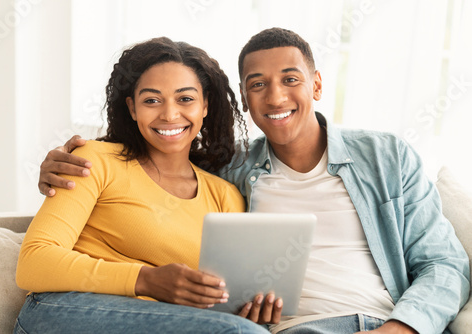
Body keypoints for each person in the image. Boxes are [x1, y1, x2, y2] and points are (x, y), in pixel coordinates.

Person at [38, 28, 470, 334]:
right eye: (258, 84)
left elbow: (445, 264)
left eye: (291, 80)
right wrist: (59, 163)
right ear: (244, 99)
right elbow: (157, 158)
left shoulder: (385, 157)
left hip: (391, 323)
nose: (276, 97)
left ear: (316, 84)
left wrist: (401, 329)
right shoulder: (231, 172)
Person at [15, 37, 275, 334]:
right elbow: (33, 262)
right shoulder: (92, 160)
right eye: (151, 100)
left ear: (205, 105)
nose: (169, 114)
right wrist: (146, 279)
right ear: (132, 108)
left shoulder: (225, 195)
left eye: (185, 99)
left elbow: (218, 297)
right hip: (62, 311)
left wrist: (247, 308)